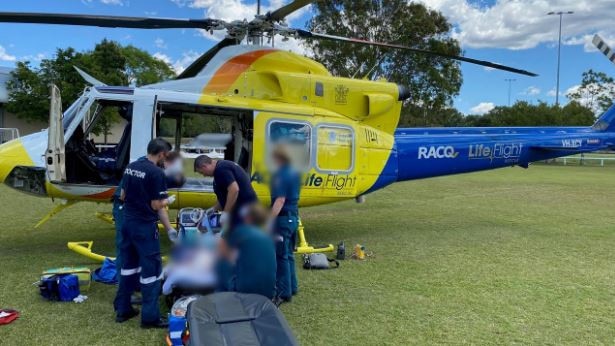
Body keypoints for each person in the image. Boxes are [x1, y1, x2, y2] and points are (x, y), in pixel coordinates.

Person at [113, 138, 178, 329]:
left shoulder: (131, 167)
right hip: (144, 227)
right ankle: (150, 318)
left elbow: (123, 196)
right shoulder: (156, 173)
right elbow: (156, 205)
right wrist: (168, 201)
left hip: (127, 223)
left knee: (128, 268)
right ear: (162, 154)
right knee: (151, 272)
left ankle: (123, 310)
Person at [217, 204, 276, 299]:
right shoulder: (268, 237)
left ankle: (222, 299)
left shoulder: (241, 231)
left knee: (222, 265)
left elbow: (222, 251)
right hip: (269, 292)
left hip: (246, 291)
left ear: (248, 218)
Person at [269, 145, 301, 303]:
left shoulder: (280, 175)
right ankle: (292, 286)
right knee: (288, 254)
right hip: (293, 217)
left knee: (280, 256)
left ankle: (283, 292)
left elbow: (280, 200)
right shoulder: (294, 172)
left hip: (282, 219)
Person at [194, 155, 257, 230]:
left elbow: (234, 190)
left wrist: (226, 213)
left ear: (204, 166)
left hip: (245, 211)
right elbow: (226, 198)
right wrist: (212, 209)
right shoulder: (220, 170)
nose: (204, 175)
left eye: (202, 172)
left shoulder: (221, 169)